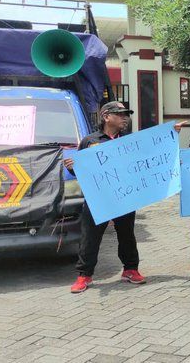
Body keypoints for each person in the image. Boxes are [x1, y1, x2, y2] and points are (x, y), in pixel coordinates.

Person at [63, 101, 146, 293]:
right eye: (120, 114)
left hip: (124, 196)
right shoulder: (89, 141)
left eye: (126, 114)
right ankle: (84, 275)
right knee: (90, 237)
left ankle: (130, 269)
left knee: (127, 234)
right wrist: (73, 168)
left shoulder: (129, 141)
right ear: (106, 116)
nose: (125, 118)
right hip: (98, 198)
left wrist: (171, 134)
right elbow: (82, 170)